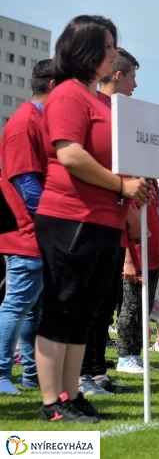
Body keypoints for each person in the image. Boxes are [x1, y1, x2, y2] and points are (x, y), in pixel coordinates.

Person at [34, 15, 153, 422]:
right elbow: (70, 154)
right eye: (106, 47)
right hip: (71, 217)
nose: (111, 54)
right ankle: (52, 403)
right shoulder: (68, 94)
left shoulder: (95, 99)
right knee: (63, 307)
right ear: (83, 50)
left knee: (85, 312)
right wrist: (122, 187)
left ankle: (70, 395)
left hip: (103, 219)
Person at [78, 48, 142, 396]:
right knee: (88, 304)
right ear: (117, 74)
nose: (135, 83)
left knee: (104, 305)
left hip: (117, 222)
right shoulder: (94, 109)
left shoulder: (120, 115)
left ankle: (97, 370)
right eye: (132, 75)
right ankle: (80, 374)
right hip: (95, 220)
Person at [0, 60, 53, 395]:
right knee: (18, 304)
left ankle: (31, 374)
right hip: (27, 231)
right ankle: (2, 373)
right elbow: (26, 184)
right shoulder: (24, 122)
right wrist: (54, 218)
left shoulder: (39, 120)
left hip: (41, 231)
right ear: (51, 85)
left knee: (35, 306)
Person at [116, 177, 159, 373]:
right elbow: (124, 220)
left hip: (152, 255)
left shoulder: (150, 179)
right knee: (131, 308)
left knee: (144, 309)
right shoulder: (130, 180)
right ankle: (124, 357)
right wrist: (127, 260)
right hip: (136, 255)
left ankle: (135, 355)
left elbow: (156, 215)